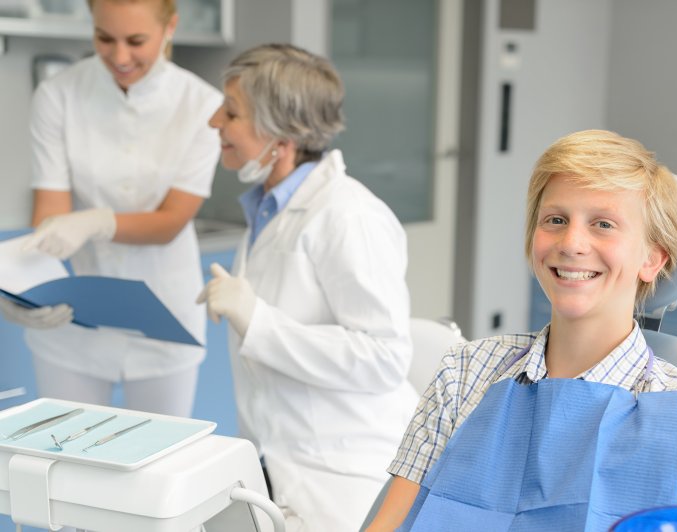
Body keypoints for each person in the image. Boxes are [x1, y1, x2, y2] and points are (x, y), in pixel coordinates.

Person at [366, 130, 677, 531]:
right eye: (555, 220)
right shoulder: (465, 372)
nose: (572, 242)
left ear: (652, 259)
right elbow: (388, 525)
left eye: (603, 224)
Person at [196, 43, 418, 531]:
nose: (215, 121)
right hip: (279, 467)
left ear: (282, 134)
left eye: (231, 112)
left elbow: (383, 357)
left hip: (345, 477)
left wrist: (257, 320)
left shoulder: (348, 215)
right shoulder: (268, 210)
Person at [0, 0, 222, 417]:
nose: (120, 57)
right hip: (73, 319)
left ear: (170, 26)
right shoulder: (58, 95)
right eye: (104, 38)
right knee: (65, 462)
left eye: (136, 41)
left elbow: (171, 221)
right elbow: (48, 213)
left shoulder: (202, 105)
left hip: (165, 317)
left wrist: (98, 222)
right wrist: (25, 287)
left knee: (161, 463)